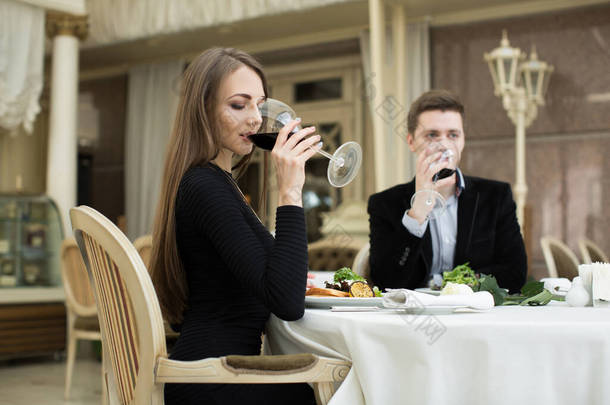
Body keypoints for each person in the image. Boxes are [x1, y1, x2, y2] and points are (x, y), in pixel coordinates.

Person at [149, 48, 320, 405]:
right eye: (239, 105)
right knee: (346, 386)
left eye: (259, 105)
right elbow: (288, 302)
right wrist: (289, 190)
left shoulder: (215, 184)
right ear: (204, 109)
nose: (256, 119)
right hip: (213, 382)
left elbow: (279, 278)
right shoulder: (204, 187)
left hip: (216, 373)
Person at [368, 90, 527, 293]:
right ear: (411, 141)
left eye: (453, 135)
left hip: (476, 315)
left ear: (462, 141)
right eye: (432, 135)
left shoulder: (496, 196)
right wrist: (417, 214)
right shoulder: (384, 204)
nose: (443, 145)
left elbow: (515, 273)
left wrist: (452, 284)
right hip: (413, 316)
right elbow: (385, 280)